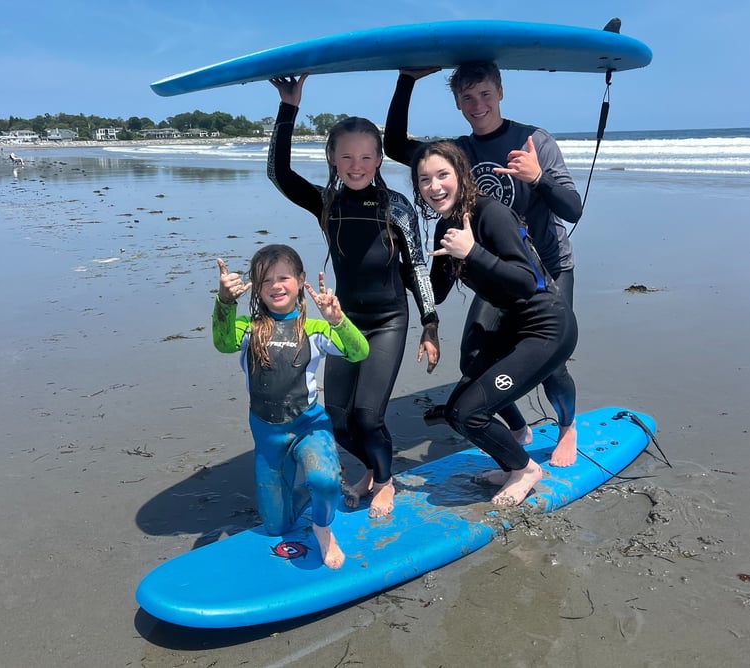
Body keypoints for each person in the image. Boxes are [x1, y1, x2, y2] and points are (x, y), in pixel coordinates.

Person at [385, 62, 582, 467]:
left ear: (501, 92)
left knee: (552, 364)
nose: (478, 105)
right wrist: (406, 80)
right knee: (474, 358)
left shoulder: (534, 140)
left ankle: (567, 427)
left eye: (485, 94)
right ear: (458, 103)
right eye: (468, 98)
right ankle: (518, 429)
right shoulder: (458, 153)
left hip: (547, 269)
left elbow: (573, 209)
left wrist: (539, 177)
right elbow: (393, 146)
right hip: (493, 272)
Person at [267, 74, 440, 518]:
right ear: (332, 158)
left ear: (379, 158)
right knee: (339, 421)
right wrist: (289, 107)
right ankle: (374, 469)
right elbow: (278, 173)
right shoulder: (327, 203)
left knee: (367, 415)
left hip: (388, 321)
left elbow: (416, 267)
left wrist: (430, 324)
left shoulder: (397, 207)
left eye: (366, 156)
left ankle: (384, 482)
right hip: (344, 321)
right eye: (346, 156)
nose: (356, 165)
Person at [411, 140, 578, 505]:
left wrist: (473, 252)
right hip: (513, 326)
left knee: (470, 413)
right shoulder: (446, 226)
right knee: (457, 411)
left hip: (547, 328)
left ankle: (526, 469)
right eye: (424, 179)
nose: (434, 187)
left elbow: (527, 280)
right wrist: (405, 268)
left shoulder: (491, 214)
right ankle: (511, 460)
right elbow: (437, 290)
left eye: (442, 175)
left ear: (461, 174)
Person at [212, 244, 369, 569]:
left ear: (300, 280)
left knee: (325, 482)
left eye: (283, 277)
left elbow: (359, 352)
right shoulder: (248, 329)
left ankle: (322, 526)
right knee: (276, 527)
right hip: (267, 436)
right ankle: (307, 490)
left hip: (308, 426)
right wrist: (225, 302)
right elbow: (223, 343)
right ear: (256, 287)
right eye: (266, 280)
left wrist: (338, 321)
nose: (275, 286)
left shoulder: (315, 329)